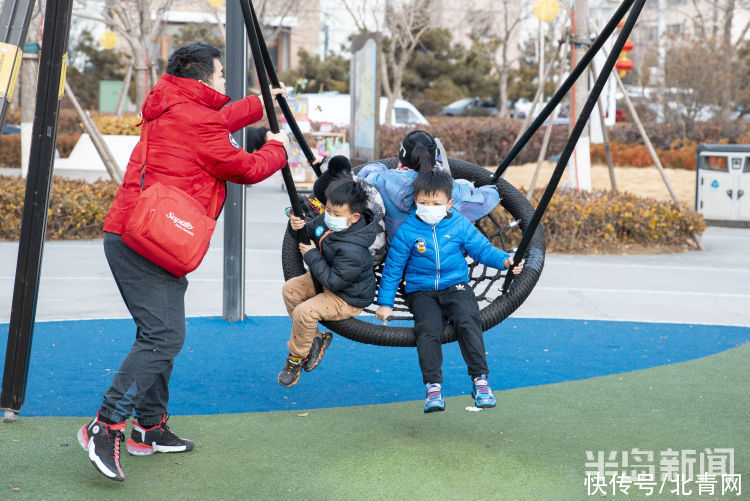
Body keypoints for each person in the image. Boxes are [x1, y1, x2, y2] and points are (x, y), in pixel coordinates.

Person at [77, 42, 290, 482]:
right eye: (221, 74)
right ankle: (106, 424)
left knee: (159, 331)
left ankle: (148, 428)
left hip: (147, 236)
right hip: (145, 240)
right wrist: (278, 148)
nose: (224, 81)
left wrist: (263, 103)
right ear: (203, 77)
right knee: (163, 336)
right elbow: (246, 169)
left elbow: (217, 120)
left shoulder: (172, 105)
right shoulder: (194, 120)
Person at [374, 169, 524, 413]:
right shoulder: (408, 231)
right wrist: (385, 303)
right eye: (423, 202)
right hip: (420, 290)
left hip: (456, 284)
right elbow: (393, 269)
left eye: (436, 203)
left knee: (468, 321)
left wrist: (506, 261)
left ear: (449, 203)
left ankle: (480, 380)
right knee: (427, 329)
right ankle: (433, 386)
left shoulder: (458, 224)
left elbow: (482, 250)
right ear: (415, 202)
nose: (429, 207)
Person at [280, 173, 378, 386]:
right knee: (290, 290)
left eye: (336, 213)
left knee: (304, 312)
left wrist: (311, 255)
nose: (330, 215)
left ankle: (296, 357)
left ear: (354, 218)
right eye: (329, 210)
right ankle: (315, 338)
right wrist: (296, 227)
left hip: (346, 296)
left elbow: (335, 281)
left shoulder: (354, 249)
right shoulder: (327, 221)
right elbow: (308, 233)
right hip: (323, 277)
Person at [357, 130, 500, 244]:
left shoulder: (383, 180)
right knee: (463, 186)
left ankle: (412, 170)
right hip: (440, 253)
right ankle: (439, 170)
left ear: (402, 156)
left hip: (396, 252)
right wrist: (491, 190)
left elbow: (365, 176)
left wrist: (380, 167)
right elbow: (485, 200)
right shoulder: (447, 187)